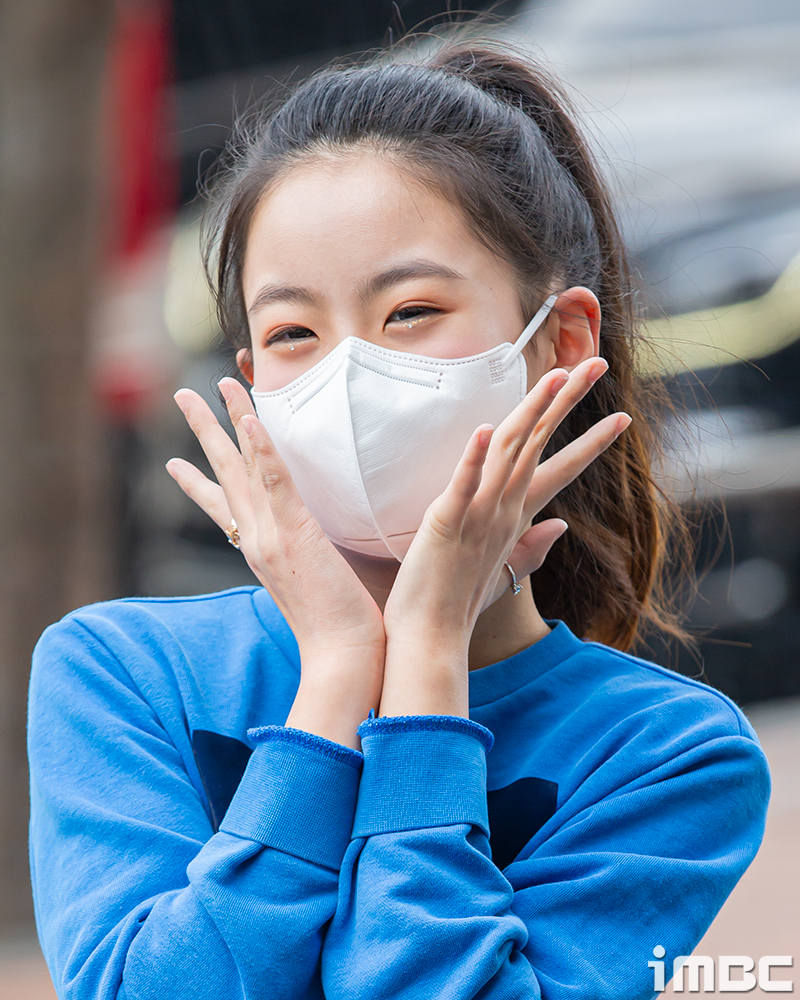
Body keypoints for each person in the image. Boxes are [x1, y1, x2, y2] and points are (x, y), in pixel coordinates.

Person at [28, 38, 770, 1000]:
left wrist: (423, 666)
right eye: (292, 333)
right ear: (252, 384)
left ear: (557, 343)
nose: (347, 375)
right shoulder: (125, 672)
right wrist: (337, 669)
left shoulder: (666, 754)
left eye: (411, 311)